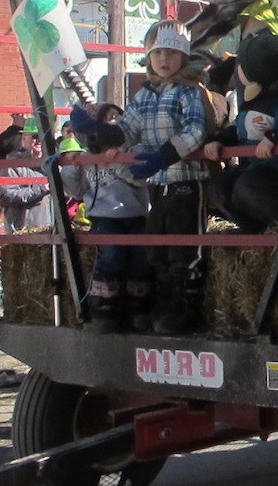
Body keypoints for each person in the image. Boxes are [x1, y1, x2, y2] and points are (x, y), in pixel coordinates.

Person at [74, 19, 211, 335]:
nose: (164, 60)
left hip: (186, 180)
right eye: (158, 52)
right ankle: (160, 307)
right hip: (157, 185)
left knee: (183, 249)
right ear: (148, 56)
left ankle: (184, 309)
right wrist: (100, 133)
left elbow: (197, 130)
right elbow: (126, 130)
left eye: (172, 53)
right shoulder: (144, 95)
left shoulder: (190, 92)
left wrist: (165, 154)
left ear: (184, 57)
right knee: (156, 250)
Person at [205, 31, 278, 234]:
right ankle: (251, 228)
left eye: (240, 66)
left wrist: (275, 137)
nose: (237, 71)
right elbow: (237, 129)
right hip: (252, 169)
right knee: (218, 187)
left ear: (255, 70)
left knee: (246, 186)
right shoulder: (250, 105)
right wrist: (219, 141)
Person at [62, 104, 152, 333]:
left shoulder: (134, 148)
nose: (114, 122)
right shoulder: (89, 158)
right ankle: (104, 305)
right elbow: (78, 190)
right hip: (104, 214)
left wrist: (123, 160)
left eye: (118, 118)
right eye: (109, 118)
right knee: (111, 252)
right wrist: (73, 165)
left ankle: (139, 306)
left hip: (136, 212)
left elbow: (141, 179)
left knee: (142, 256)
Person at [0, 119, 52, 234]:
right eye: (34, 136)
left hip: (49, 231)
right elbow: (5, 195)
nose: (38, 140)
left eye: (41, 136)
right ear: (23, 138)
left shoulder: (55, 164)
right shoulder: (13, 163)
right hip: (21, 231)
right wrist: (39, 189)